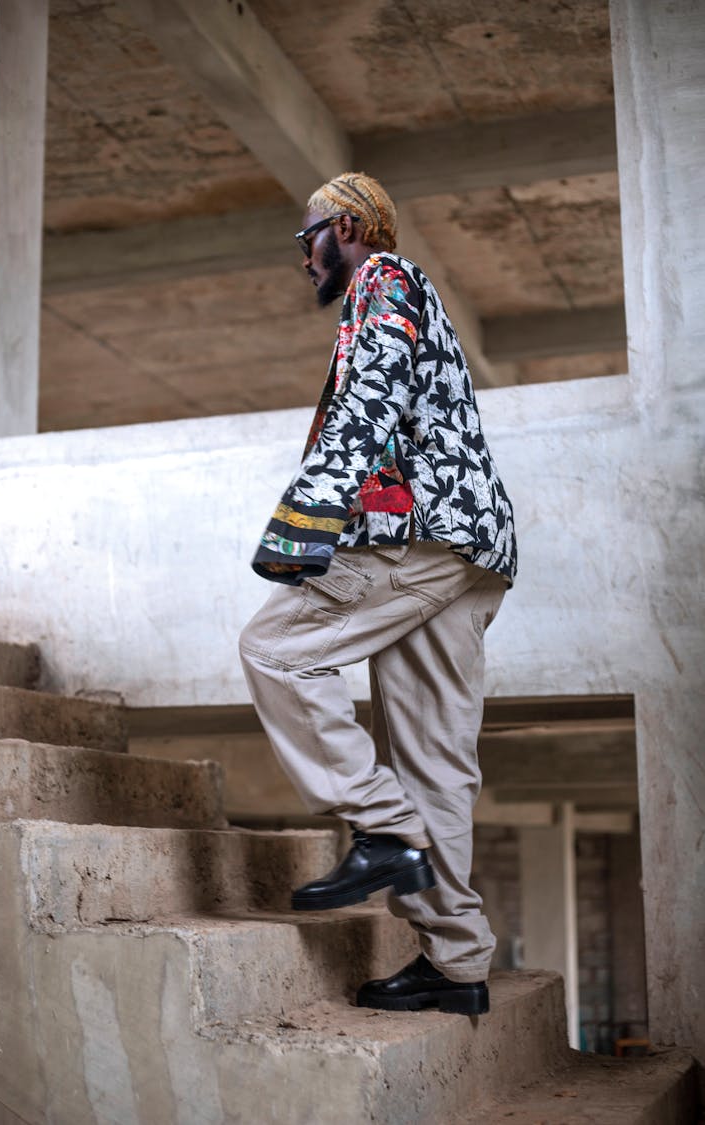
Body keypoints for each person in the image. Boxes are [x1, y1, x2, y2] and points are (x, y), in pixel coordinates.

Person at [239, 172, 516, 1016]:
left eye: (308, 237)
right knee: (434, 757)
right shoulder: (411, 295)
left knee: (275, 648)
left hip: (421, 531)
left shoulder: (384, 279)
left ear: (350, 226)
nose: (304, 258)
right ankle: (458, 961)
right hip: (474, 548)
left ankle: (384, 828)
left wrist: (306, 513)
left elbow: (370, 395)